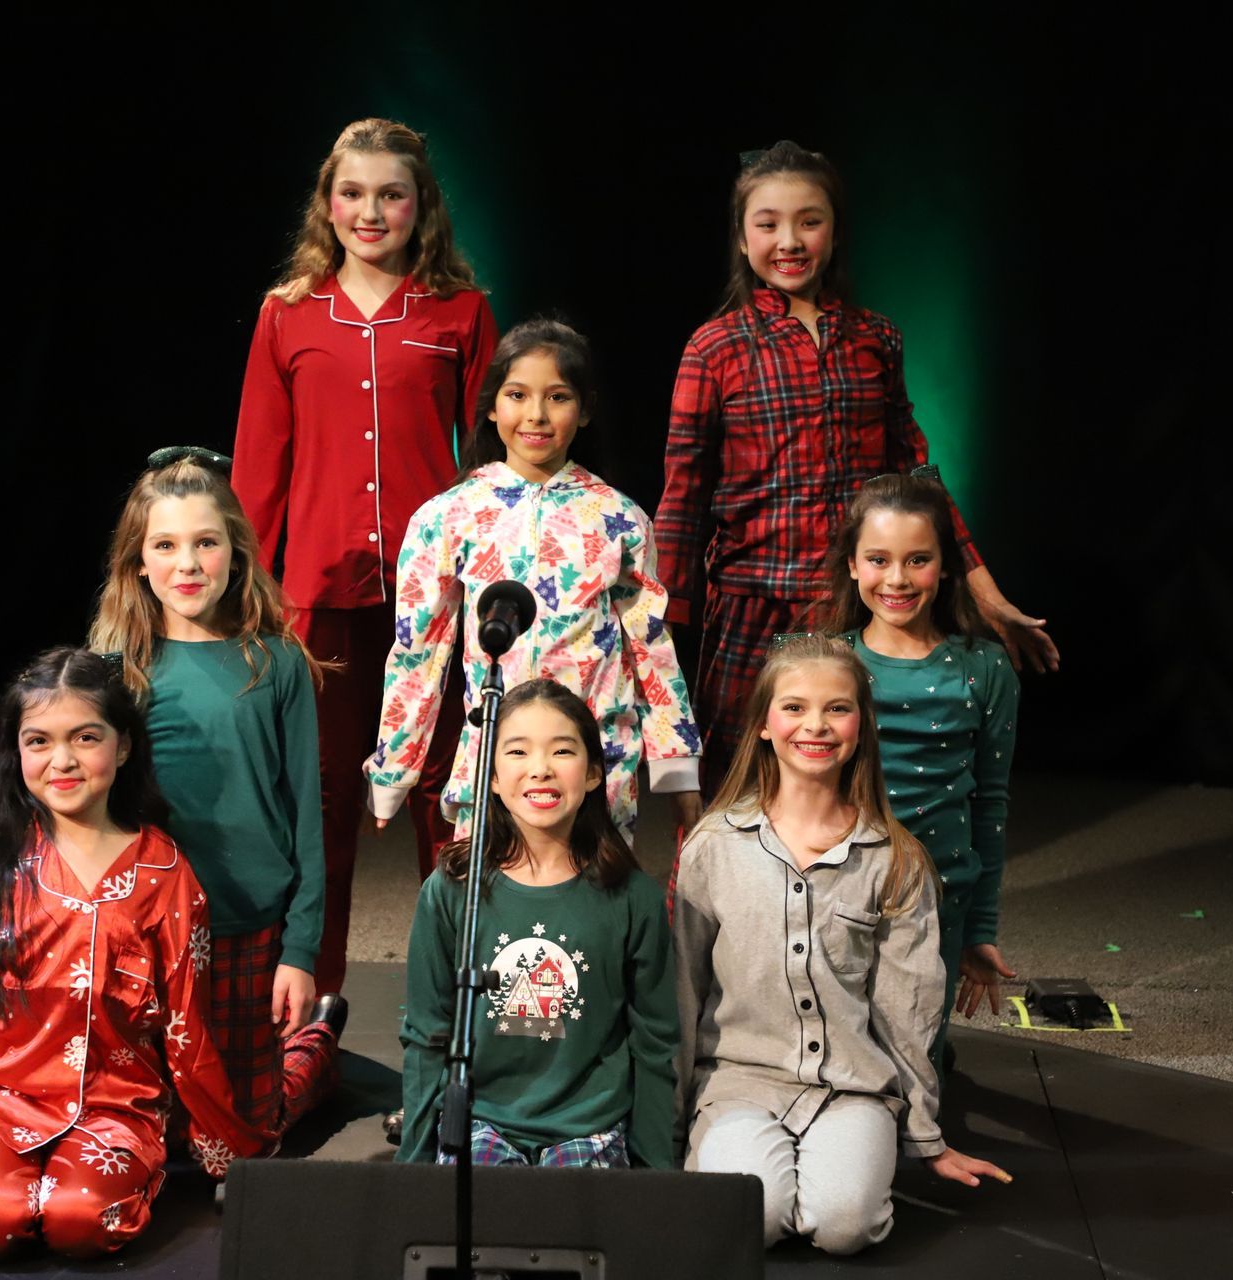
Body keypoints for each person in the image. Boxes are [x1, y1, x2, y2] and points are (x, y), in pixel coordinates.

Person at [0, 648, 268, 1261]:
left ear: (123, 746)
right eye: (39, 741)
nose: (62, 761)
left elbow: (186, 1031)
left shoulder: (164, 872)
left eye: (86, 737)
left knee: (81, 1224)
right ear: (17, 751)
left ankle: (312, 1048)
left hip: (116, 1109)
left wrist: (235, 1157)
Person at [651, 139, 1055, 795]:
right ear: (742, 237)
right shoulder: (715, 348)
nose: (790, 240)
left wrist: (988, 595)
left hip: (851, 608)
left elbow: (918, 485)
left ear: (835, 232)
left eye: (809, 221)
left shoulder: (875, 338)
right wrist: (660, 636)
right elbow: (681, 499)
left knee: (852, 786)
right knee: (737, 788)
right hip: (754, 604)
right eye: (768, 223)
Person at [234, 118, 498, 989]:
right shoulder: (287, 315)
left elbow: (493, 462)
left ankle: (460, 996)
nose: (371, 211)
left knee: (448, 797)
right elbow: (259, 468)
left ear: (423, 205)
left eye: (391, 194)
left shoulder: (461, 312)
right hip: (320, 597)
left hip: (439, 600)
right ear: (328, 203)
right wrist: (248, 593)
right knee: (321, 801)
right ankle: (310, 995)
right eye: (352, 193)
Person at [673, 635, 1009, 1255]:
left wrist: (925, 1135)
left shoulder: (896, 859)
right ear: (765, 724)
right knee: (750, 1218)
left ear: (861, 725)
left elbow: (908, 1010)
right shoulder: (713, 847)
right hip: (740, 1082)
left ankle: (831, 1173)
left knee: (845, 1226)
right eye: (794, 707)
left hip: (852, 1087)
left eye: (837, 708)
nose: (816, 726)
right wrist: (668, 1124)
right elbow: (683, 992)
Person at [367, 318, 701, 844]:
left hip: (595, 762)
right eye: (518, 394)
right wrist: (394, 767)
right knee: (493, 888)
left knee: (593, 889)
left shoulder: (618, 517)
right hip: (498, 759)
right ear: (492, 406)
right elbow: (418, 651)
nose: (536, 414)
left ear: (584, 409)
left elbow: (650, 644)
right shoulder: (447, 516)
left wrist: (677, 762)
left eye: (558, 397)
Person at [88, 448, 343, 1136]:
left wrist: (300, 952)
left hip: (247, 926)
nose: (188, 564)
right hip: (148, 930)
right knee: (151, 1129)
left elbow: (306, 813)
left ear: (236, 551)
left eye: (206, 542)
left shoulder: (275, 660)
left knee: (242, 1137)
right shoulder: (116, 670)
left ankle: (315, 1046)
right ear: (138, 562)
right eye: (165, 546)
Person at [397, 680, 677, 1167]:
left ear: (594, 773)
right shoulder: (451, 890)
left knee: (573, 1214)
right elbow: (426, 1035)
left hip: (588, 1127)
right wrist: (413, 1167)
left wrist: (656, 1174)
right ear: (492, 777)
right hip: (481, 1119)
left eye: (562, 751)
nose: (541, 768)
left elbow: (655, 1044)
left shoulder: (634, 898)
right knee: (481, 1211)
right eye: (518, 751)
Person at [812, 469, 1020, 1061]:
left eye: (918, 560)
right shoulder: (822, 662)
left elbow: (990, 805)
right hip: (831, 896)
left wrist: (980, 930)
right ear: (853, 565)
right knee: (831, 1059)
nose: (897, 579)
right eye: (878, 559)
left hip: (938, 901)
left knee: (915, 1066)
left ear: (946, 566)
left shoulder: (986, 669)